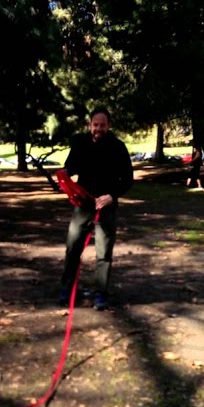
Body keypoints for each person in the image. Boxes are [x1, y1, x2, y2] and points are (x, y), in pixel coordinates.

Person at [57, 108, 134, 310]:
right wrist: (64, 175)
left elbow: (128, 179)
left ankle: (101, 293)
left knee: (104, 253)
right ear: (90, 125)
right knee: (72, 248)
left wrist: (112, 196)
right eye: (95, 125)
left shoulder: (117, 147)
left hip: (106, 208)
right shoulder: (80, 143)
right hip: (82, 206)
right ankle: (67, 289)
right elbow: (71, 166)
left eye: (103, 125)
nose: (99, 128)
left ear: (109, 126)